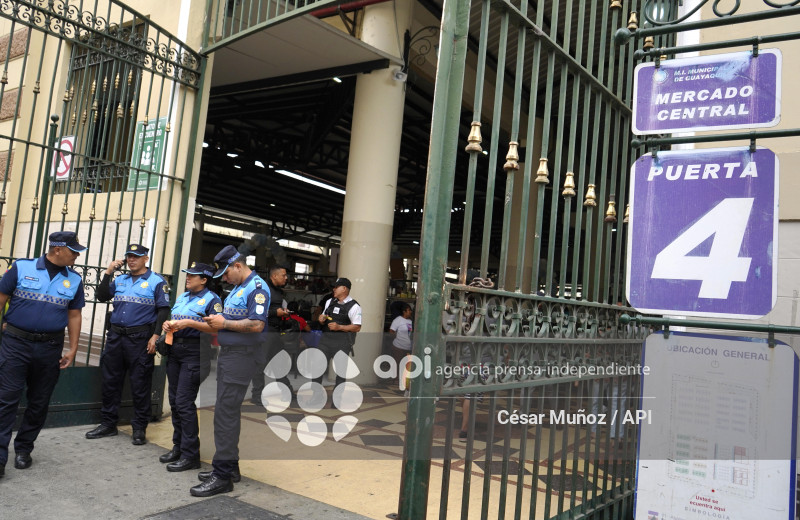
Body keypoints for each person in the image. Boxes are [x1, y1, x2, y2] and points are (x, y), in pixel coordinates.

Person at [0, 231, 86, 478]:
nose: (78, 255)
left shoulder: (75, 280)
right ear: (57, 249)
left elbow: (74, 315)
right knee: (6, 400)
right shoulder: (21, 267)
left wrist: (72, 348)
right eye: (74, 250)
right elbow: (1, 298)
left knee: (39, 402)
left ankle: (24, 449)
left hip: (49, 347)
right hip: (16, 343)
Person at [189, 245, 270, 497]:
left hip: (242, 357)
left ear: (238, 265)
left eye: (226, 273)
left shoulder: (257, 288)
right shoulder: (238, 288)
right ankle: (230, 467)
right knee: (228, 412)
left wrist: (224, 323)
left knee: (224, 413)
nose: (223, 279)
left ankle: (222, 475)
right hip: (231, 355)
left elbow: (256, 325)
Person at [85, 244, 170, 446]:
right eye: (129, 257)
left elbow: (163, 310)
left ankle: (139, 428)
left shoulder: (156, 281)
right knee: (110, 382)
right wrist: (108, 272)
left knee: (140, 384)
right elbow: (102, 296)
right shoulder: (120, 279)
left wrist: (156, 336)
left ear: (146, 259)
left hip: (140, 339)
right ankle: (108, 424)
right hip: (116, 337)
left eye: (136, 257)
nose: (132, 260)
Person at [157, 262, 222, 472]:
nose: (188, 278)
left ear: (204, 279)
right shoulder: (183, 297)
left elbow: (216, 327)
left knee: (184, 402)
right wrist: (167, 325)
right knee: (175, 401)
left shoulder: (213, 300)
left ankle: (190, 455)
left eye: (192, 275)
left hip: (195, 353)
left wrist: (189, 324)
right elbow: (175, 320)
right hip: (175, 351)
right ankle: (179, 447)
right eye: (187, 274)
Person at [250, 264, 292, 405]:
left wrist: (282, 313)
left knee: (279, 362)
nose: (286, 278)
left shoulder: (278, 291)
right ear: (274, 276)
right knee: (260, 364)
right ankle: (257, 395)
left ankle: (287, 391)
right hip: (265, 331)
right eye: (283, 275)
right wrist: (276, 312)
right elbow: (256, 311)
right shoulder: (263, 290)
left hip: (275, 331)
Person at [313, 277, 361, 389]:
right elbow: (324, 315)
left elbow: (357, 327)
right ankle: (316, 397)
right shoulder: (329, 302)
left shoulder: (354, 306)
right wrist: (321, 318)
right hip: (325, 341)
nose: (334, 289)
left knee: (340, 372)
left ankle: (337, 399)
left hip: (342, 343)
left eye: (336, 287)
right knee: (317, 367)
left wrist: (339, 327)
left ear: (344, 288)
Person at [388, 303, 413, 370]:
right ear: (404, 312)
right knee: (397, 365)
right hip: (398, 347)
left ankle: (402, 380)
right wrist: (398, 339)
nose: (410, 312)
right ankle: (395, 380)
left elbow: (409, 333)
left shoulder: (410, 321)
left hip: (408, 348)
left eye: (411, 310)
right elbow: (391, 331)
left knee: (406, 367)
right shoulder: (398, 320)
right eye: (409, 310)